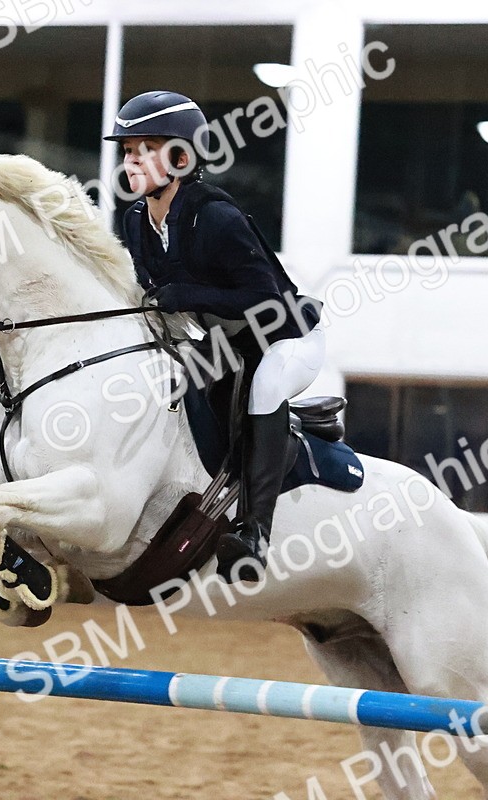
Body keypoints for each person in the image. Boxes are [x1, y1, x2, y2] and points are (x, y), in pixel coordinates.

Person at [105, 90, 325, 583]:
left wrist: (185, 292)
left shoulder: (218, 217)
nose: (131, 161)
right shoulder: (136, 220)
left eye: (144, 149)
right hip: (226, 342)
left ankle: (254, 534)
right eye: (127, 151)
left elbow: (264, 301)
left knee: (265, 387)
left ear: (181, 157)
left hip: (285, 337)